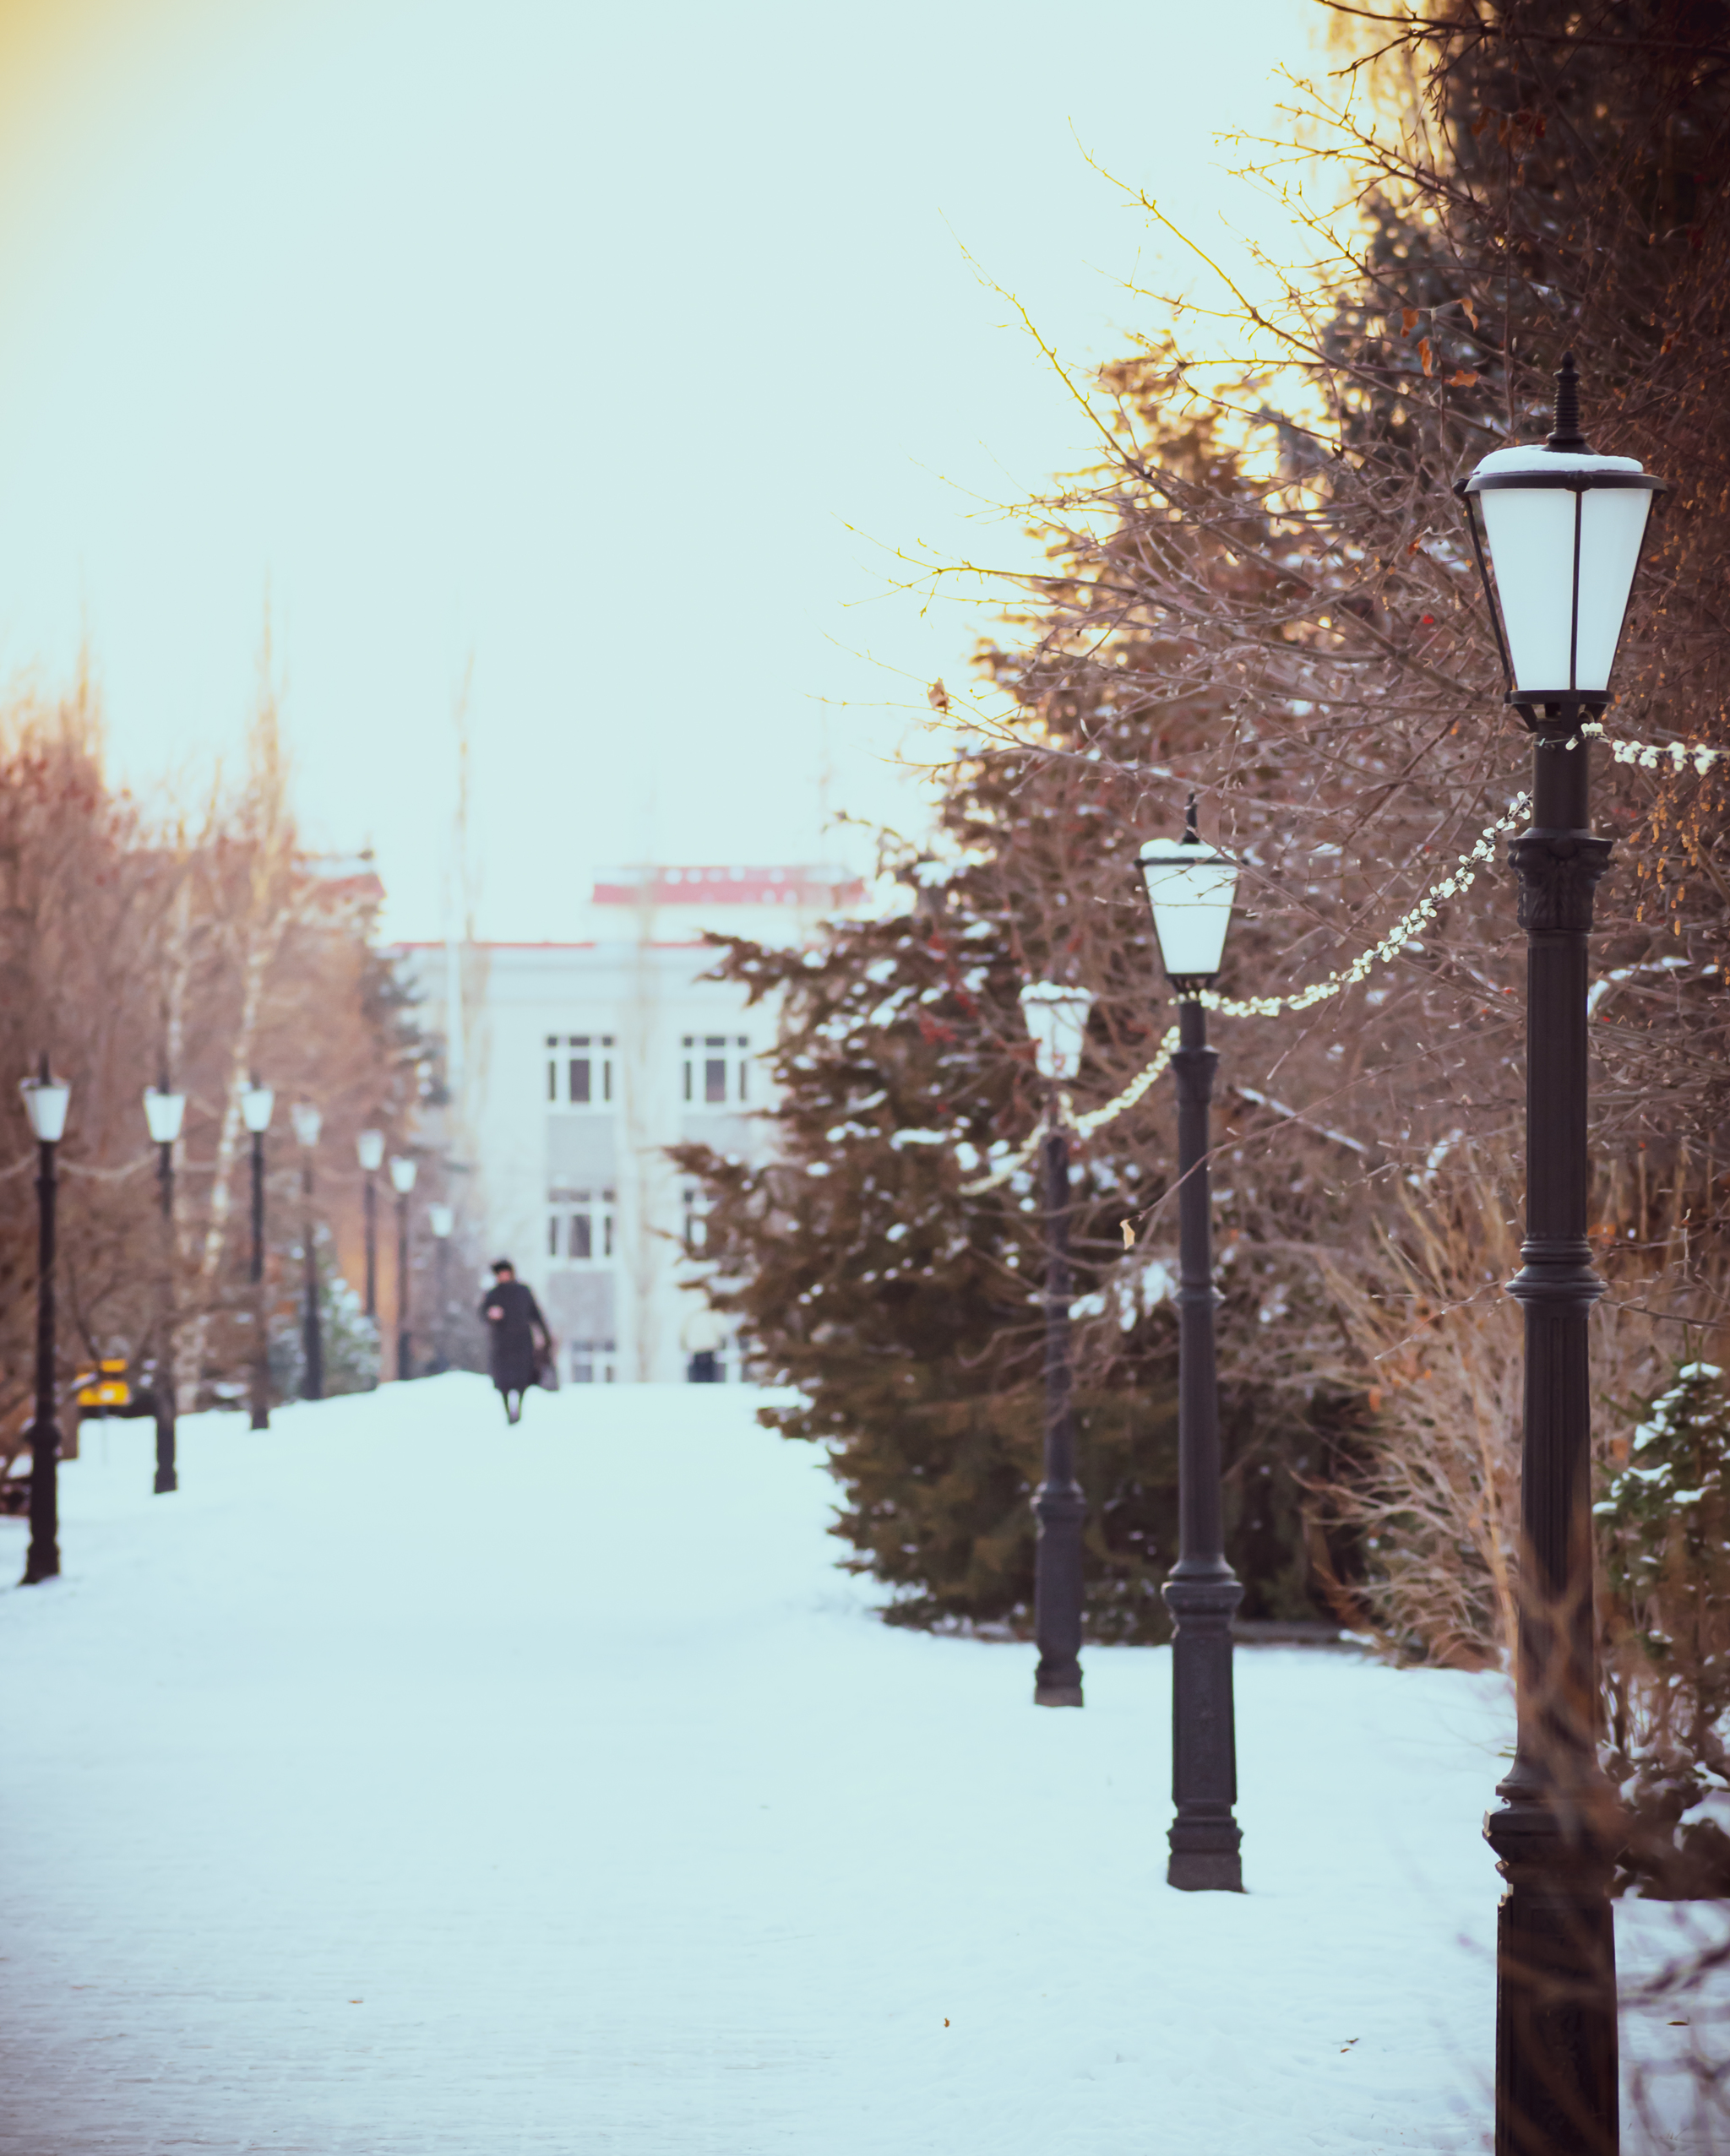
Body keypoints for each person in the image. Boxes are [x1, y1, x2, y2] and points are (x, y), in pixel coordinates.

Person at [479, 1260, 552, 1425]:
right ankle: (507, 1410)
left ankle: (518, 1407)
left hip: (522, 1342)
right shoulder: (493, 1294)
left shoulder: (523, 1291)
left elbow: (535, 1314)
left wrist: (545, 1335)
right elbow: (483, 1313)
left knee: (522, 1378)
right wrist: (491, 1315)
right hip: (502, 1343)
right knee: (504, 1380)